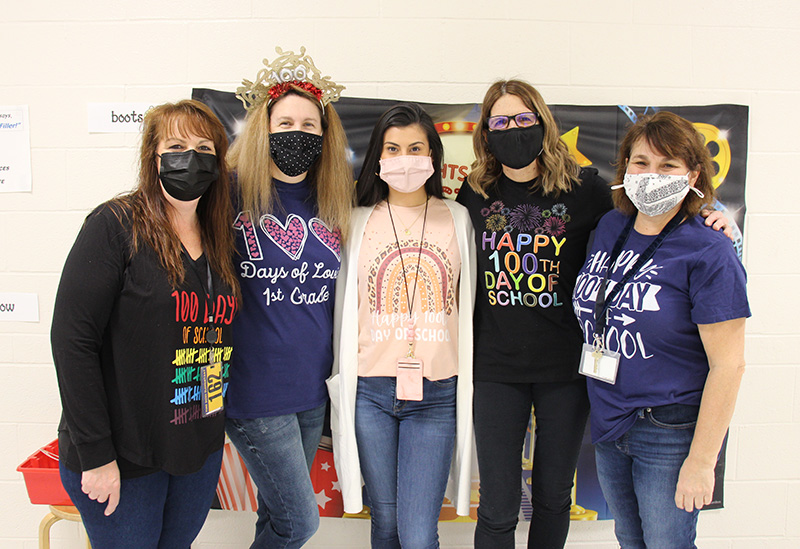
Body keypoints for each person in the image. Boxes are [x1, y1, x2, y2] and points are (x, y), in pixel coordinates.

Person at [456, 80, 730, 549]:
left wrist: (713, 215)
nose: (513, 129)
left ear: (543, 123)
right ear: (486, 132)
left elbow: (647, 220)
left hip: (569, 368)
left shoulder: (585, 190)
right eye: (499, 122)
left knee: (552, 497)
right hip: (496, 367)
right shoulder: (475, 191)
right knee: (498, 505)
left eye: (524, 119)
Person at [52, 99, 239, 548]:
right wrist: (96, 457)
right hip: (123, 454)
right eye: (175, 145)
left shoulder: (220, 238)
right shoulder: (115, 225)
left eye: (203, 147)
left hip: (196, 447)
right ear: (152, 158)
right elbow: (72, 341)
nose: (190, 158)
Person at [571, 111, 749, 548]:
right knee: (630, 541)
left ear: (692, 174)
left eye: (668, 165)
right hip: (611, 420)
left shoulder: (709, 249)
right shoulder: (610, 226)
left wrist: (703, 461)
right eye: (641, 162)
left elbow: (729, 366)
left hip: (668, 430)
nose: (652, 174)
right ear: (625, 169)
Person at [327, 103, 476, 548]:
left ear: (433, 155)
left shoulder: (458, 218)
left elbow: (469, 304)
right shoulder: (355, 221)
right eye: (392, 148)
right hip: (370, 393)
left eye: (415, 148)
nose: (404, 158)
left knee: (416, 532)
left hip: (436, 394)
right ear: (378, 157)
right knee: (387, 524)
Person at [223, 47, 353, 548]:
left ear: (324, 135)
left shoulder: (335, 198)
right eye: (285, 122)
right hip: (254, 391)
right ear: (263, 127)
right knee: (301, 521)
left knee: (276, 517)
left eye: (309, 124)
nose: (297, 133)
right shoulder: (229, 192)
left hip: (312, 389)